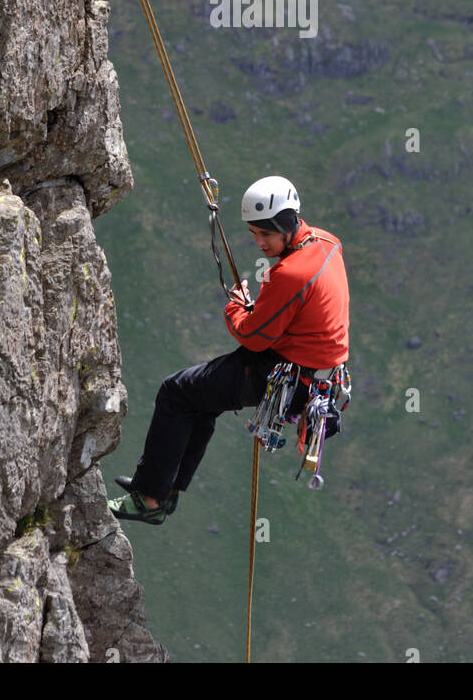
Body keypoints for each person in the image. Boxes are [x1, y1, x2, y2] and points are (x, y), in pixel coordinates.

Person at [108, 175, 350, 524]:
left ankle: (150, 499)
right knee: (198, 400)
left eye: (265, 234)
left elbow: (253, 337)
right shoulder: (328, 244)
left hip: (282, 374)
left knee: (176, 393)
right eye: (254, 234)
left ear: (285, 225)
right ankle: (163, 488)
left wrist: (237, 305)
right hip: (313, 376)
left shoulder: (292, 272)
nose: (259, 243)